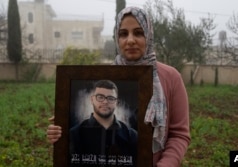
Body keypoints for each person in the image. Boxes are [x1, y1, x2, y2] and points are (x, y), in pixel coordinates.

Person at [47, 6, 190, 167]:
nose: (130, 40)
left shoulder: (170, 78)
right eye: (123, 34)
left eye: (138, 32)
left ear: (149, 36)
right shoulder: (104, 75)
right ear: (117, 38)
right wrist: (61, 128)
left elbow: (179, 134)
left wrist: (165, 164)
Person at [70, 80, 137, 166]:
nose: (105, 102)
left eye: (110, 98)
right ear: (92, 99)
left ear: (116, 102)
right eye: (100, 97)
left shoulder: (132, 136)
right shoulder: (74, 134)